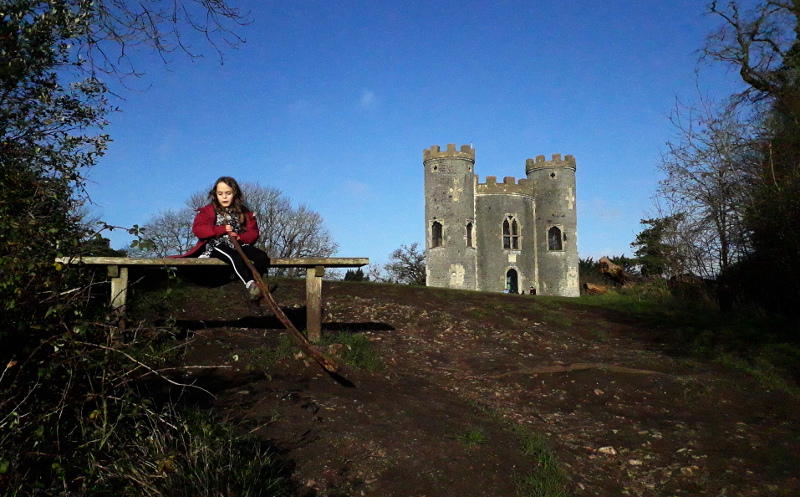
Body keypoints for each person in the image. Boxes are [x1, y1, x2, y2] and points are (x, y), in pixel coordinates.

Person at [170, 176, 271, 313]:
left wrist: (240, 237)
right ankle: (250, 284)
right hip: (216, 245)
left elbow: (253, 233)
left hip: (238, 244)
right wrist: (221, 229)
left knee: (261, 256)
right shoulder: (209, 210)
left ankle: (255, 293)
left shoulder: (245, 212)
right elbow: (199, 229)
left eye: (228, 193)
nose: (224, 197)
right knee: (234, 256)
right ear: (215, 194)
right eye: (220, 193)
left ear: (234, 193)